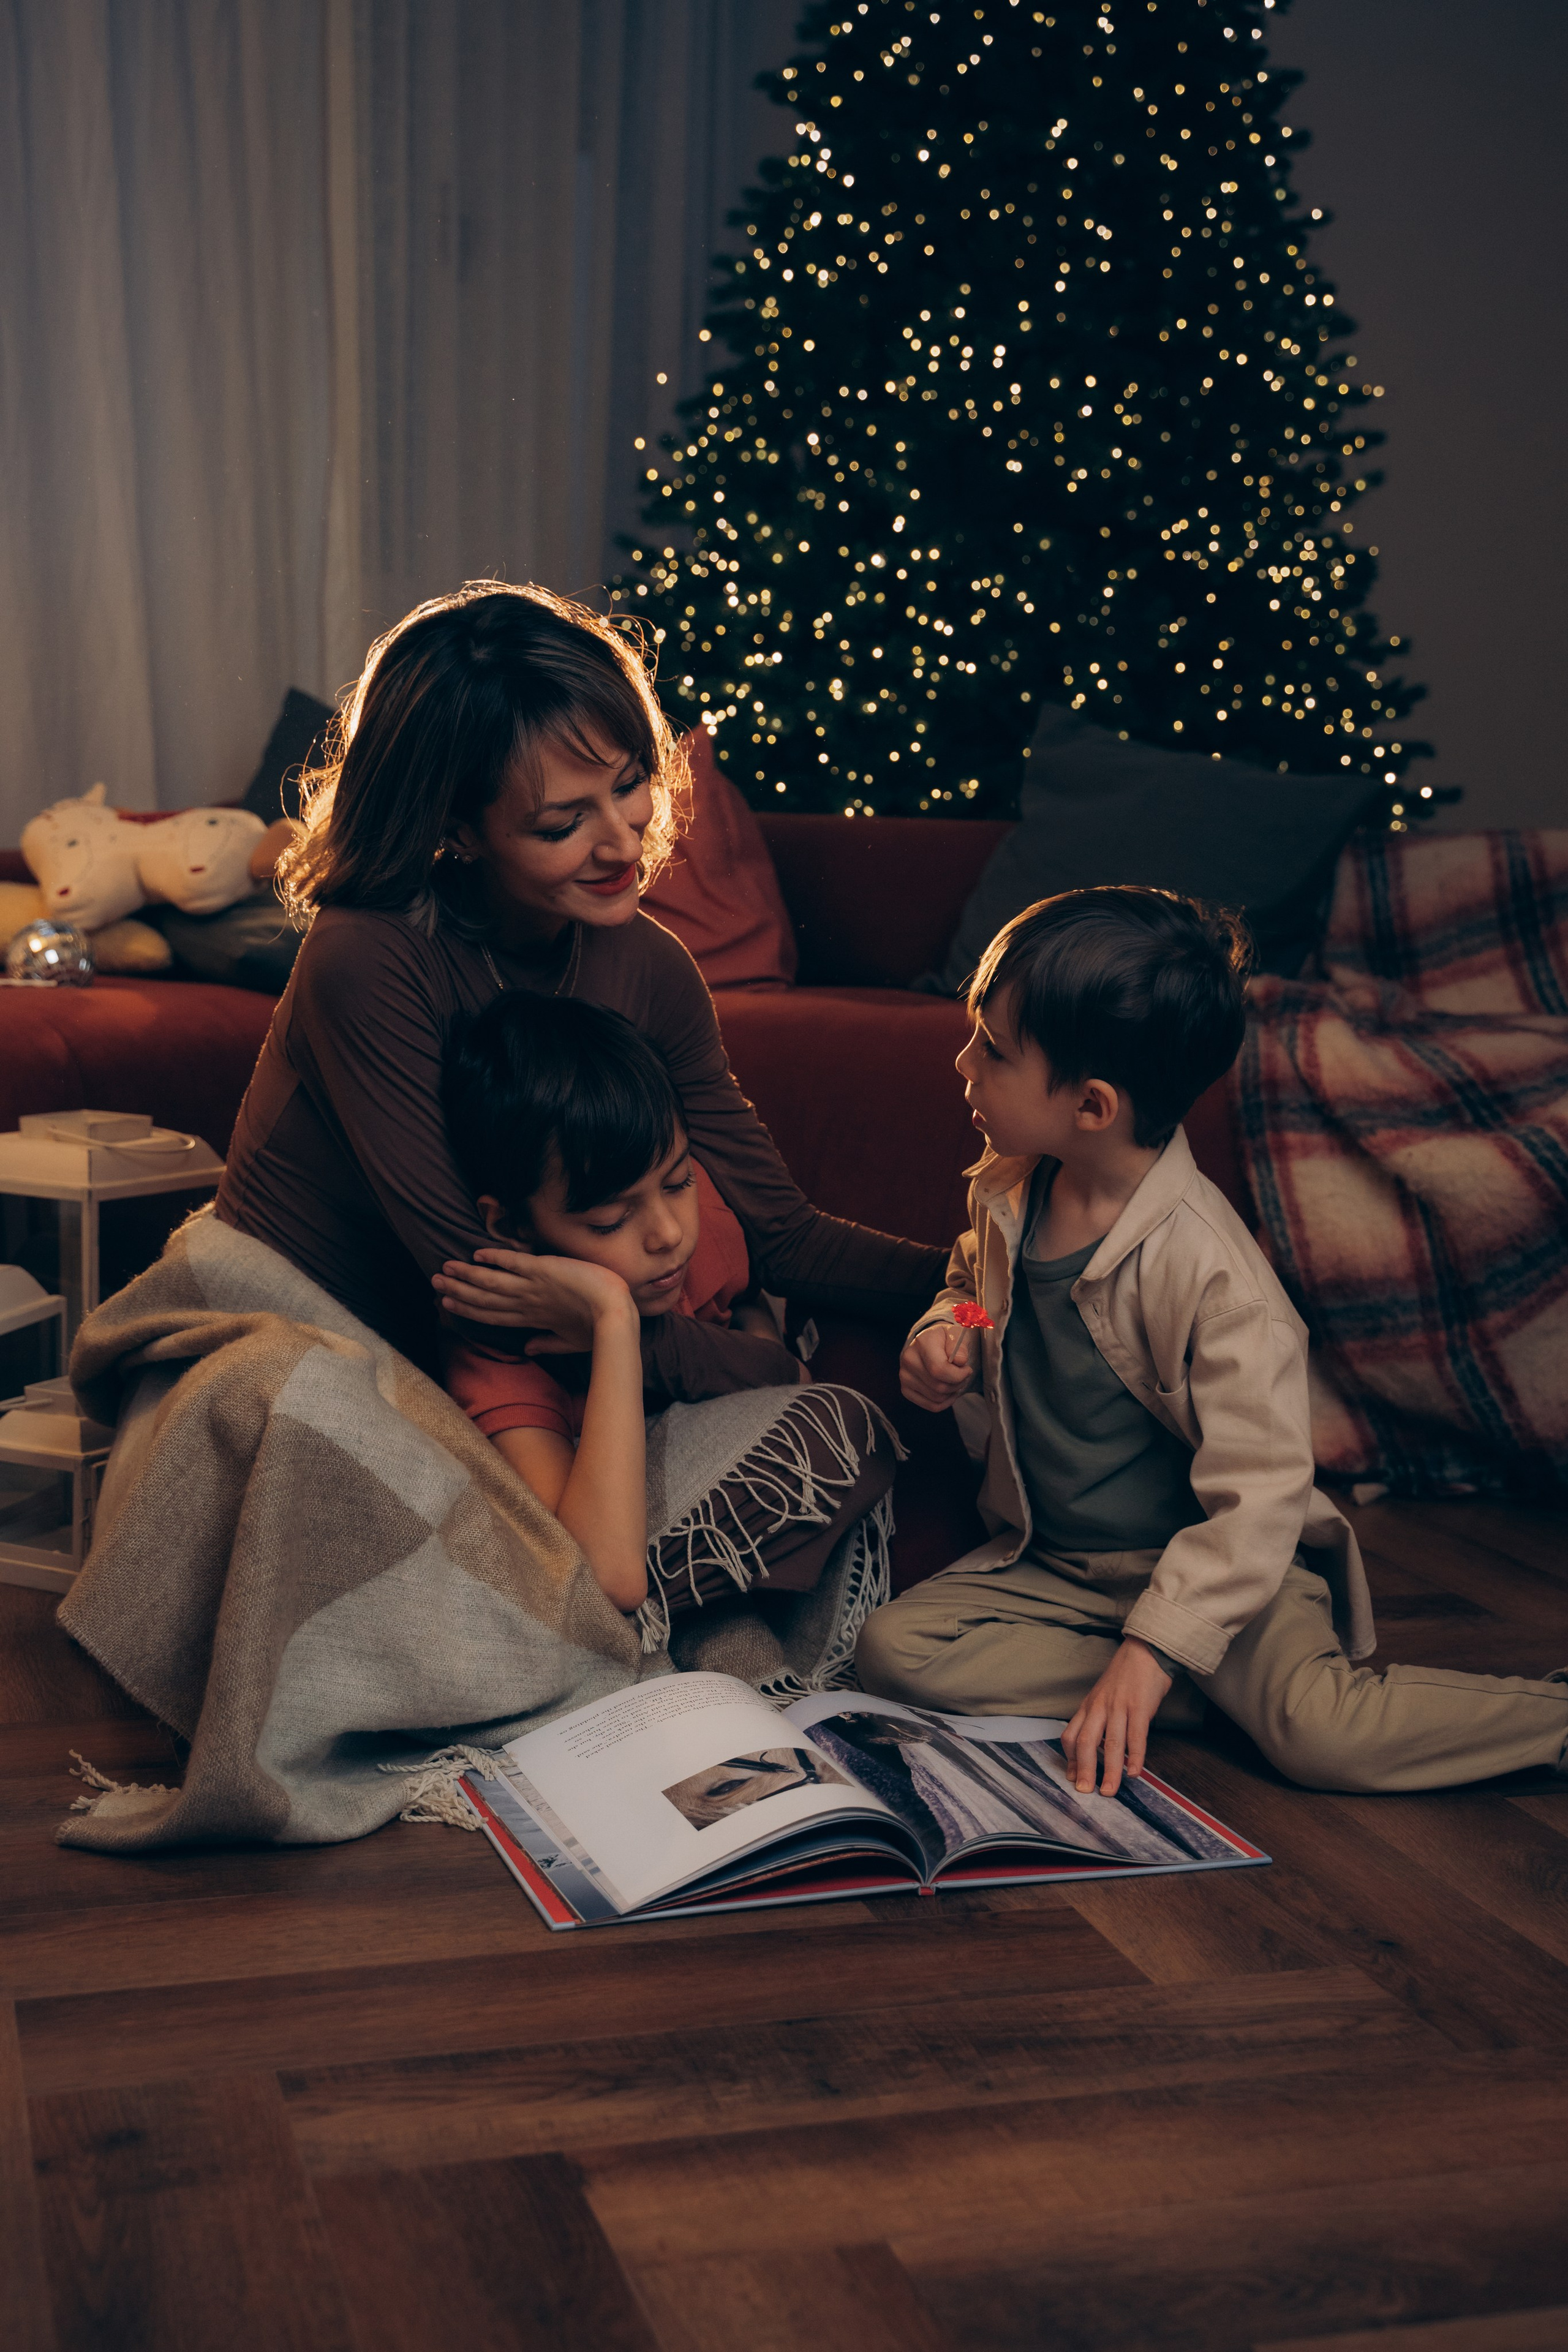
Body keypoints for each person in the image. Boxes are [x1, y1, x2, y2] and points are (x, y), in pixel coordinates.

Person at [855, 886, 1568, 1798]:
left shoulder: (1218, 1280)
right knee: (896, 1651)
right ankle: (1193, 1690)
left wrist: (1160, 1643)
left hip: (1221, 1569)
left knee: (1322, 1737)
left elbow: (1260, 1497)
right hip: (1063, 1567)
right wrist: (947, 1331)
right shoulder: (1012, 1190)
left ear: (1092, 1105)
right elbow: (972, 1289)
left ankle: (1548, 1721)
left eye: (991, 1049)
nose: (962, 1063)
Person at [216, 581, 943, 1384]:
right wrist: (766, 1368)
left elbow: (783, 1236)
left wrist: (982, 1284)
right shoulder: (364, 958)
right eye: (563, 824)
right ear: (457, 830)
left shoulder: (651, 965)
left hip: (515, 1363)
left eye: (629, 785)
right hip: (302, 1335)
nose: (623, 845)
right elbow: (483, 1293)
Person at [441, 990, 894, 1640]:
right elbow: (607, 1579)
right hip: (618, 1554)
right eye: (610, 1220)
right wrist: (613, 1322)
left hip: (713, 1495)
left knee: (842, 1426)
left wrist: (746, 1344)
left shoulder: (698, 1225)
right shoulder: (501, 1355)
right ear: (511, 1226)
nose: (668, 1234)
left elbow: (785, 1370)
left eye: (678, 1181)